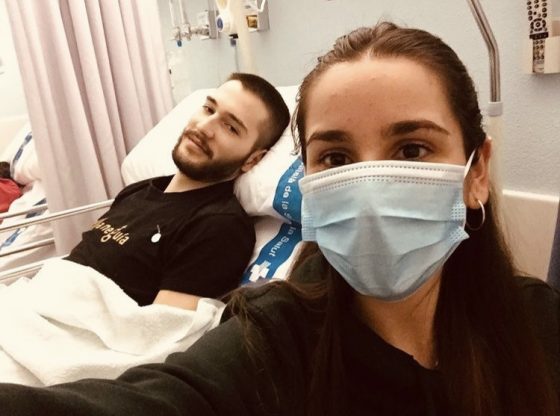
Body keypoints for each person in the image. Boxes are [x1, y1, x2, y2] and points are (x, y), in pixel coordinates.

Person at [0, 22, 559, 416]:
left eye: (412, 149)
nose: (368, 187)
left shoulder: (538, 325)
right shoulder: (272, 342)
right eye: (335, 158)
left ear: (476, 171)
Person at [66, 72, 290, 309]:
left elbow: (160, 327)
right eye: (209, 109)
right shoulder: (136, 192)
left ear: (253, 159)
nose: (204, 127)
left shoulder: (219, 227)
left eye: (230, 127)